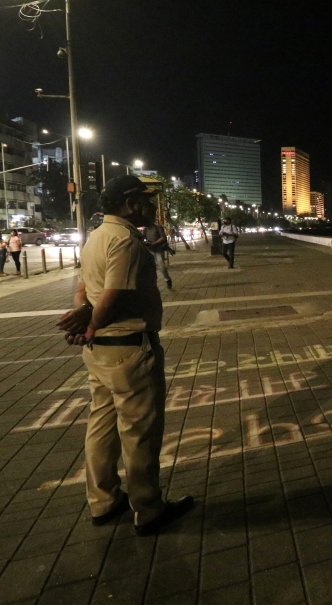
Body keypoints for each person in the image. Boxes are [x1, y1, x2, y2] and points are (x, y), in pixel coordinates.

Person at [56, 175, 193, 535]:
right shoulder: (125, 241)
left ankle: (103, 501)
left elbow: (85, 288)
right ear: (131, 204)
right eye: (146, 201)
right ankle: (148, 508)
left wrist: (85, 321)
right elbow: (112, 295)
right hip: (130, 349)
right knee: (139, 433)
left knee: (101, 425)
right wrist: (90, 325)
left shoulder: (97, 236)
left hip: (100, 354)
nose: (151, 207)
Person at [142, 205, 173, 289]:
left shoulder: (158, 227)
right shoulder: (145, 230)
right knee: (150, 269)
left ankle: (167, 279)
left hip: (158, 250)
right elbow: (142, 239)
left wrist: (154, 243)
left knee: (161, 267)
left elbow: (163, 238)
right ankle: (152, 283)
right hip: (149, 251)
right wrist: (146, 243)